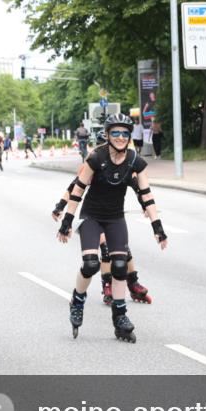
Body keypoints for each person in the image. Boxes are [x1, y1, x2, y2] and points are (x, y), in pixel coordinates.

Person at [56, 114, 168, 343]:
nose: (120, 137)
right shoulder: (96, 157)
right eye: (115, 133)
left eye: (125, 133)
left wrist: (158, 227)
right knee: (91, 265)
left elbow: (145, 194)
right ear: (107, 135)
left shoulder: (135, 161)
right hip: (91, 218)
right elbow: (78, 189)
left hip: (115, 218)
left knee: (119, 265)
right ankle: (77, 300)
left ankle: (120, 317)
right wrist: (67, 220)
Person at [53, 130, 153, 305]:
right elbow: (74, 188)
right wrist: (60, 207)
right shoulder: (94, 162)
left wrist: (145, 205)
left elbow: (138, 187)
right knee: (105, 248)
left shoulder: (124, 164)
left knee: (123, 251)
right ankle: (107, 283)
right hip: (93, 215)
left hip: (113, 215)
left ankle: (133, 282)